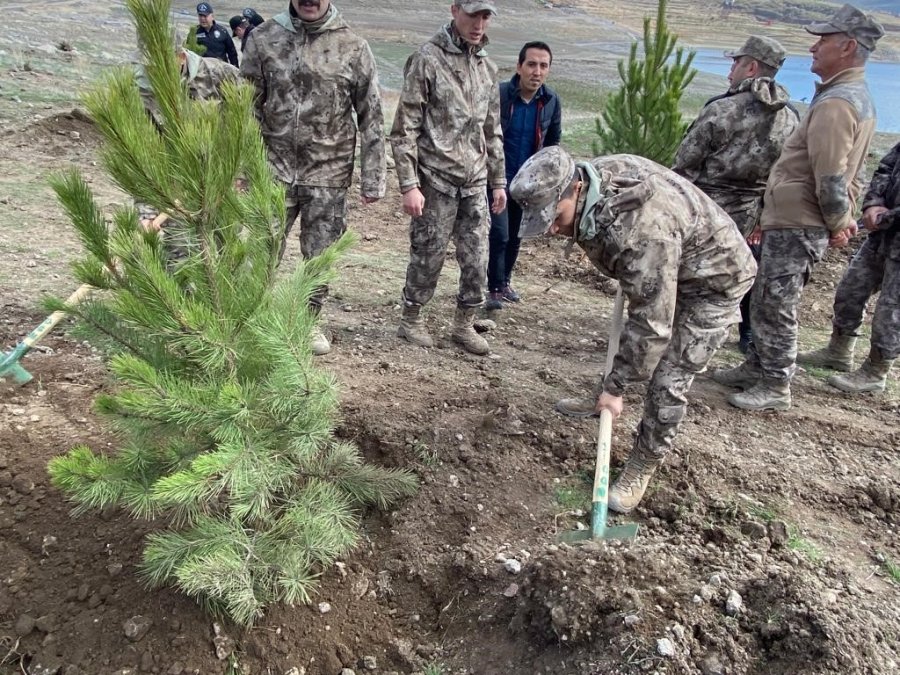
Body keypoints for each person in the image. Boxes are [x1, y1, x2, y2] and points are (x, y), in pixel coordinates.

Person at [509, 146, 756, 513]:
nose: (553, 228)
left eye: (554, 216)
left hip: (714, 282)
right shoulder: (599, 179)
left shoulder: (642, 232)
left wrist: (618, 388)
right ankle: (602, 397)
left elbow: (652, 324)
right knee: (630, 341)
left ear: (574, 189)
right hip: (670, 261)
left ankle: (644, 461)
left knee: (669, 378)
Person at [711, 3, 884, 411]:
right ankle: (757, 367)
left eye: (823, 40)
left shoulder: (838, 103)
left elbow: (831, 175)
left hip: (801, 219)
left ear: (848, 47)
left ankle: (775, 385)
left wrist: (840, 222)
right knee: (768, 297)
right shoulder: (846, 95)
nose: (814, 47)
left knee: (778, 302)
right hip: (795, 217)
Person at [241, 0, 386, 355]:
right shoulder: (263, 38)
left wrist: (373, 176)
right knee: (260, 250)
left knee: (319, 256)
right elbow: (244, 107)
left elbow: (372, 116)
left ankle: (305, 323)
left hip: (328, 173)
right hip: (271, 170)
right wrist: (241, 166)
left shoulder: (353, 46)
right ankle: (249, 317)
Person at [391, 0, 506, 355]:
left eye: (485, 16)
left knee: (477, 257)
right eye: (473, 14)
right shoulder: (426, 58)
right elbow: (404, 127)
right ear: (455, 10)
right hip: (435, 178)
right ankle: (411, 318)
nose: (479, 23)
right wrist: (409, 184)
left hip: (474, 181)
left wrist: (498, 180)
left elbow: (492, 130)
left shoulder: (488, 67)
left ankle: (464, 323)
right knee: (429, 253)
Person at [673, 35, 799, 354]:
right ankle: (736, 337)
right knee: (733, 278)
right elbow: (783, 176)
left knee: (683, 277)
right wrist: (762, 217)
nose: (730, 71)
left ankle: (673, 336)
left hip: (701, 212)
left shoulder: (722, 110)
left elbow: (684, 166)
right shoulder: (789, 118)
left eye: (735, 63)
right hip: (748, 218)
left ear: (751, 67)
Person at [798, 142, 899, 392]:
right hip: (882, 236)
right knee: (850, 290)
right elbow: (886, 167)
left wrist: (885, 217)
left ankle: (876, 371)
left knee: (892, 311)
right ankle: (838, 351)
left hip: (890, 230)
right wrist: (873, 204)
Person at [484, 41, 562, 311]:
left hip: (527, 185)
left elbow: (553, 144)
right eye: (531, 64)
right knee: (500, 234)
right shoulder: (501, 95)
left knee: (517, 234)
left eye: (543, 65)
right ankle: (493, 287)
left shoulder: (551, 101)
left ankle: (504, 282)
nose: (536, 71)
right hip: (496, 180)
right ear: (519, 67)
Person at [194, 3, 238, 68]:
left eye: (205, 16)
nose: (203, 19)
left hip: (221, 68)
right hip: (203, 69)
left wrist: (235, 68)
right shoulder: (195, 32)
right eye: (200, 16)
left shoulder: (222, 31)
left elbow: (232, 52)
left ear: (212, 16)